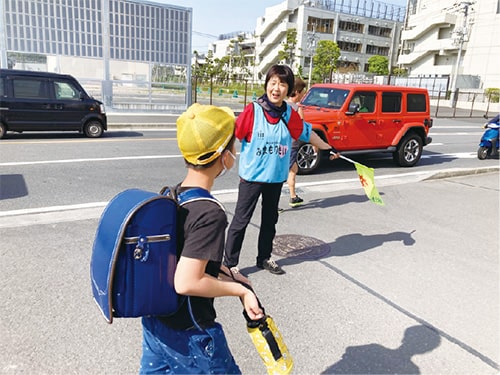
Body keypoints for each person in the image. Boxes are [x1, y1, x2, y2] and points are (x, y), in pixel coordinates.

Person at [139, 103, 263, 374]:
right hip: (191, 335)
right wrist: (240, 291)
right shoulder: (209, 213)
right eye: (234, 145)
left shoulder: (173, 194)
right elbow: (187, 281)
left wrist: (228, 273)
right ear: (224, 156)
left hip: (156, 324)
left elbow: (187, 255)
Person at [223, 64, 339, 275]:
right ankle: (229, 264)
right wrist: (225, 158)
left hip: (275, 179)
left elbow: (307, 133)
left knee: (270, 221)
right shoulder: (253, 110)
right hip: (252, 177)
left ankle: (264, 258)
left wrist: (328, 146)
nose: (276, 88)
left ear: (289, 89)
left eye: (282, 84)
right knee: (241, 221)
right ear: (267, 84)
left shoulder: (288, 113)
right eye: (273, 83)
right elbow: (235, 134)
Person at [286, 77, 307, 207]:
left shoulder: (282, 105)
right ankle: (272, 203)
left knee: (293, 169)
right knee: (285, 172)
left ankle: (293, 196)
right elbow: (302, 129)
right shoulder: (297, 108)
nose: (304, 94)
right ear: (297, 92)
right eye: (303, 92)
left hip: (282, 144)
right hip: (292, 144)